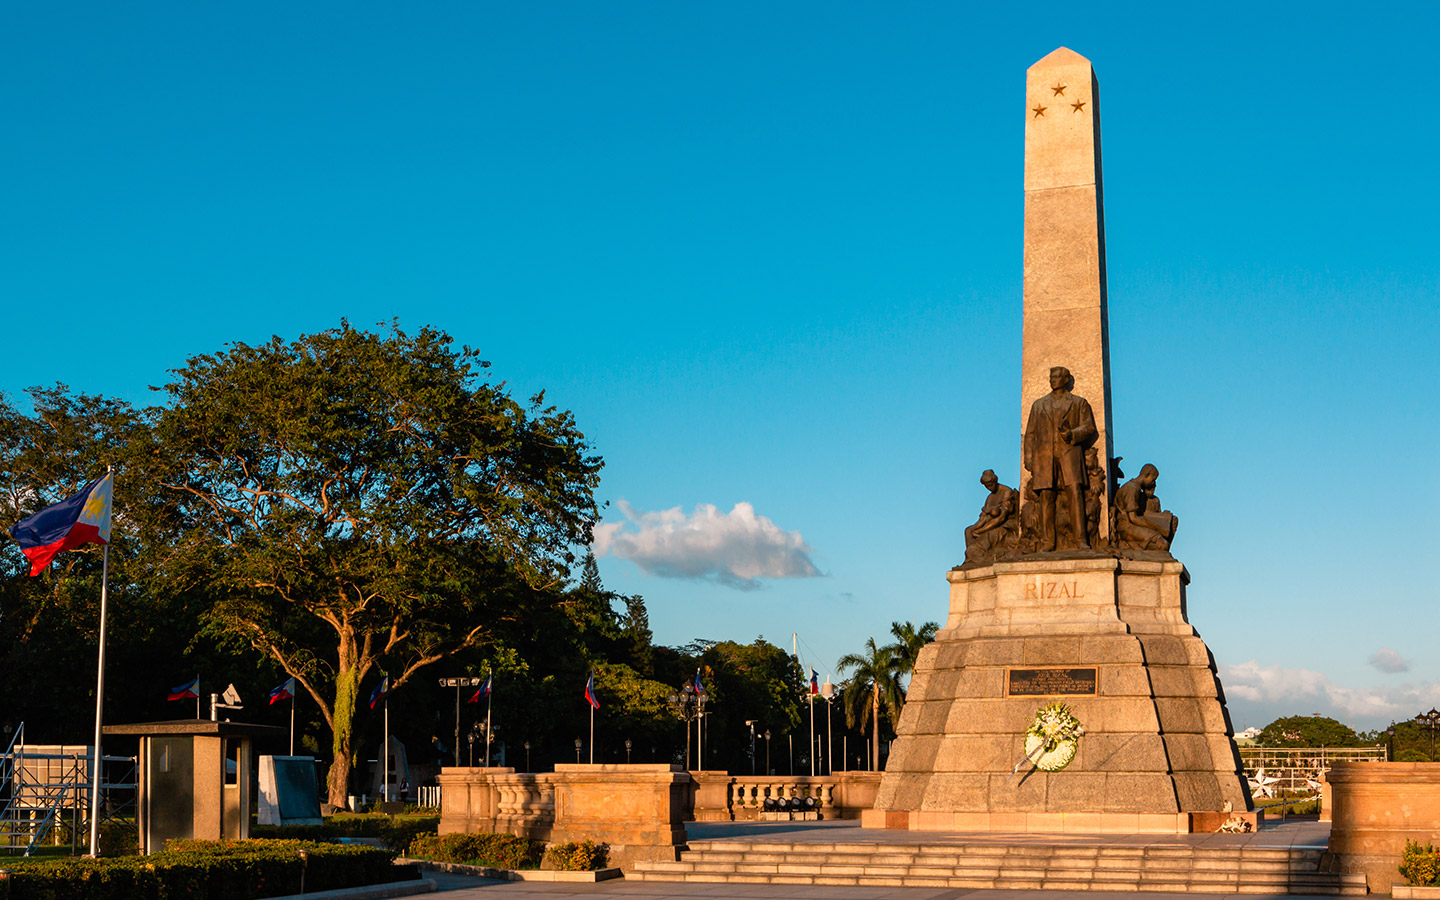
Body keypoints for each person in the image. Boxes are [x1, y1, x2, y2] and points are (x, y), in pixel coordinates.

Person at [1023, 366, 1098, 551]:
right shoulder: (1039, 405)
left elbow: (1089, 428)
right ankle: (1047, 541)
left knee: (1075, 494)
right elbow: (1030, 433)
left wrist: (1072, 434)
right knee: (1046, 497)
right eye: (1051, 376)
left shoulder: (1079, 403)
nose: (1052, 379)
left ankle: (1080, 539)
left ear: (1066, 379)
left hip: (1069, 455)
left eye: (1056, 376)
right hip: (1044, 457)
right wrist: (1029, 457)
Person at [1114, 463, 1178, 551]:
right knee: (1163, 545)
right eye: (1153, 479)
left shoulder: (1136, 488)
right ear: (1147, 475)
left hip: (1132, 524)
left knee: (1172, 521)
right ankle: (1127, 545)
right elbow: (1133, 518)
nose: (1153, 483)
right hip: (1127, 527)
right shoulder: (1132, 489)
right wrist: (1157, 526)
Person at [963, 469, 1017, 565]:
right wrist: (975, 528)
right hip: (990, 524)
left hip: (1005, 526)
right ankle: (971, 560)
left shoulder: (1006, 492)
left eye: (991, 485)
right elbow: (983, 517)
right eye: (987, 486)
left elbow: (1001, 518)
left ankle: (981, 557)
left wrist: (981, 531)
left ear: (995, 481)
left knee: (980, 542)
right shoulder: (990, 497)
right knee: (968, 531)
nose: (989, 488)